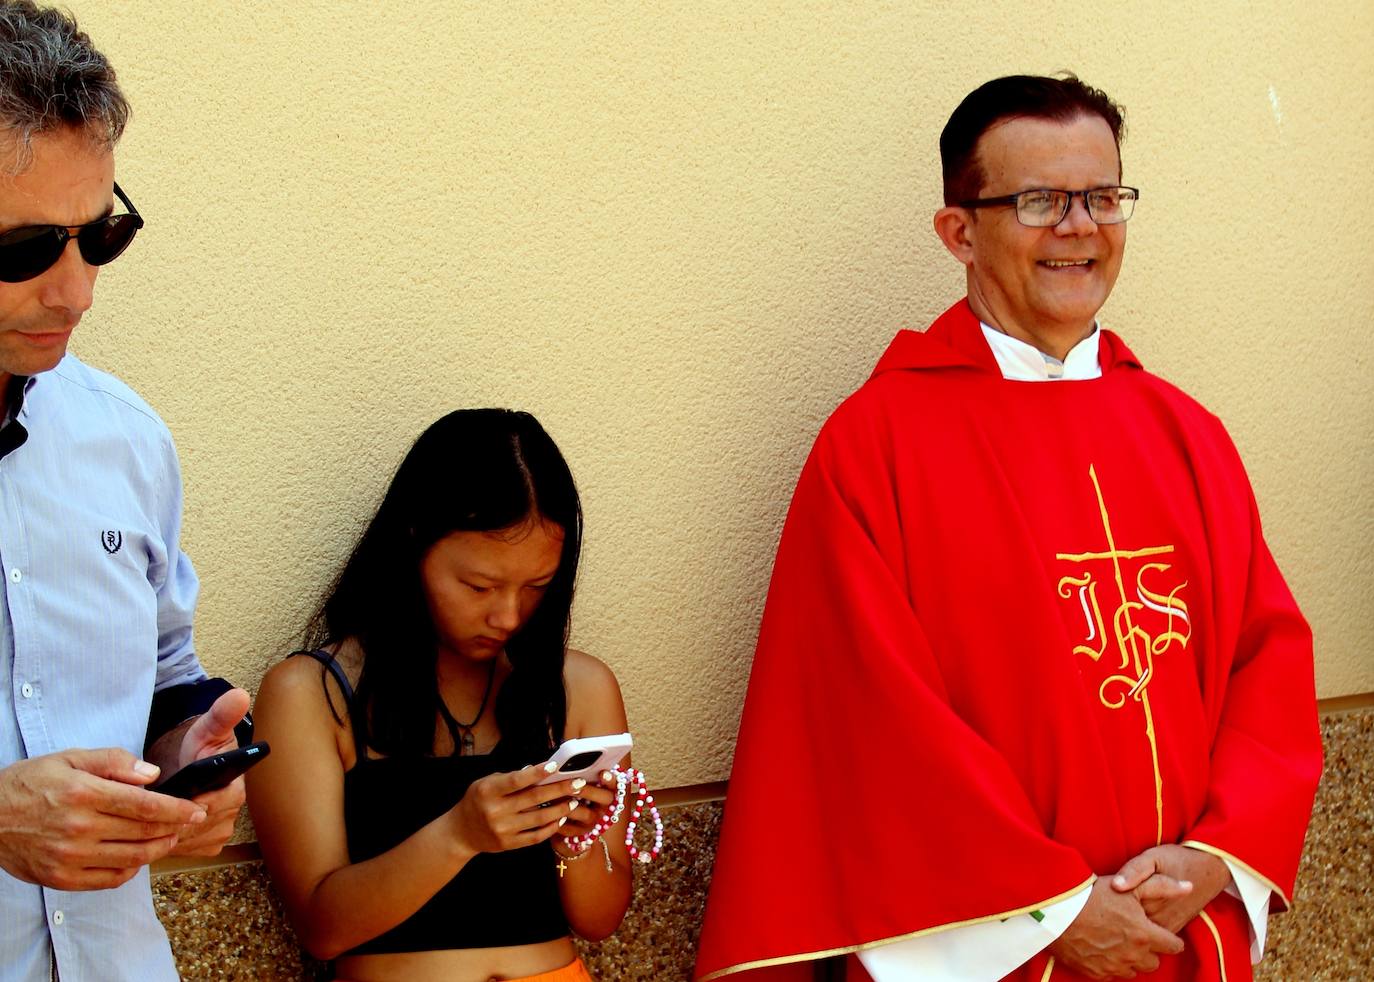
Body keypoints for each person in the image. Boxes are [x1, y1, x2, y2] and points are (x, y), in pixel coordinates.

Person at [694, 75, 1321, 982]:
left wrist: (1218, 856)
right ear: (959, 232)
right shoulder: (877, 448)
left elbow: (1267, 665)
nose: (1080, 227)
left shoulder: (1186, 433)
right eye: (1039, 201)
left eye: (1103, 197)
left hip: (1178, 940)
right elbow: (871, 724)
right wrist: (1053, 911)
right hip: (991, 948)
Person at [0, 2, 252, 979]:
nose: (78, 292)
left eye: (98, 234)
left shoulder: (127, 436)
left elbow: (159, 667)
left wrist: (189, 748)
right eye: (25, 250)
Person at [247, 409, 633, 982]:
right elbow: (321, 928)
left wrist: (574, 843)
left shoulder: (579, 686)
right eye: (478, 586)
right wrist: (459, 835)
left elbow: (600, 920)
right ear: (413, 542)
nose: (507, 615)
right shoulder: (311, 693)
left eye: (536, 589)